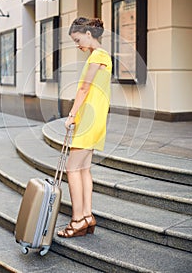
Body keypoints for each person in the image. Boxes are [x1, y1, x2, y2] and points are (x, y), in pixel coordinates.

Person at [57, 17, 112, 238]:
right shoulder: (102, 56)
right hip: (95, 118)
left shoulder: (97, 56)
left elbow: (84, 90)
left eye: (78, 39)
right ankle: (87, 216)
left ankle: (78, 219)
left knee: (72, 168)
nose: (77, 45)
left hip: (88, 119)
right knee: (83, 168)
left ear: (89, 34)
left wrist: (71, 115)